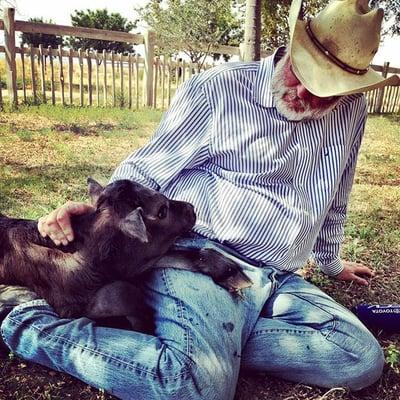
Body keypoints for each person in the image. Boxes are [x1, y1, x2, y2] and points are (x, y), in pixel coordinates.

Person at [1, 0, 399, 398]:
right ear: (292, 47)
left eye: (324, 93)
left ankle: (206, 340)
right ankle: (26, 322)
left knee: (360, 358)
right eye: (302, 77)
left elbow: (338, 190)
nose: (305, 96)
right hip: (200, 258)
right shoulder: (219, 88)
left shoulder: (352, 110)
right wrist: (96, 209)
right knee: (196, 388)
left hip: (277, 277)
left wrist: (331, 262)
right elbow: (145, 172)